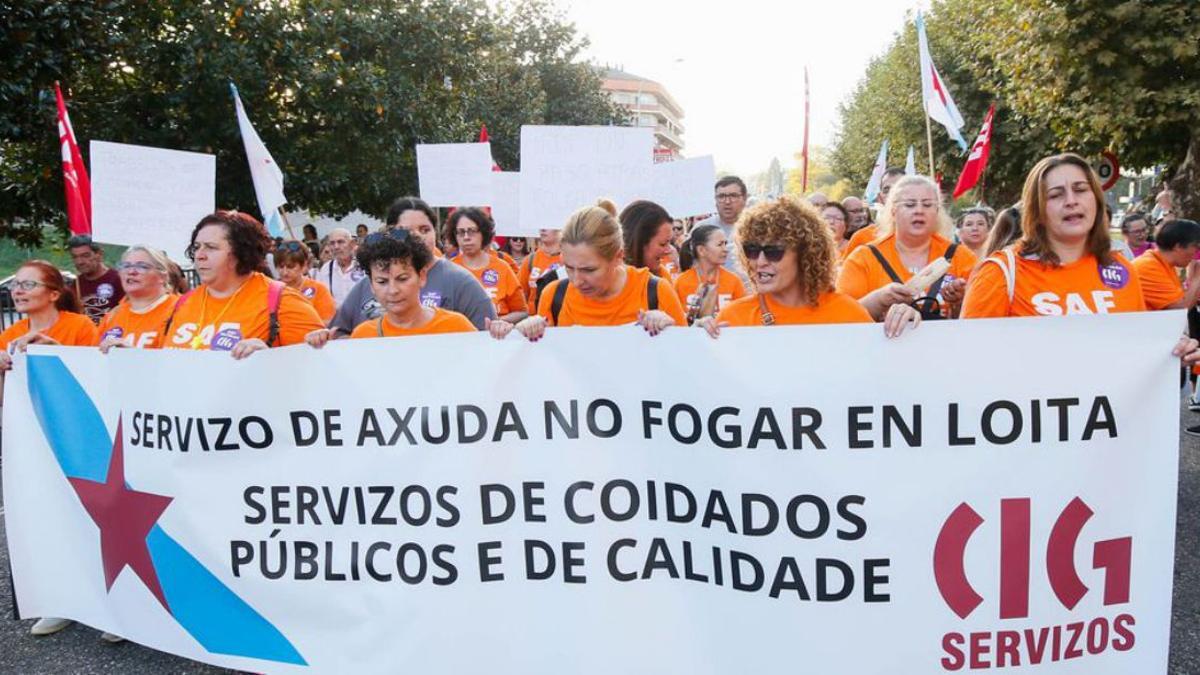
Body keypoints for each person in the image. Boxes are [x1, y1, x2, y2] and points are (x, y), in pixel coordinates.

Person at [696, 197, 920, 337]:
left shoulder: (848, 313)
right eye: (752, 250)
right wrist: (695, 343)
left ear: (805, 255)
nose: (760, 261)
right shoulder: (733, 318)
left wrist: (906, 330)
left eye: (774, 251)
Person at [961, 153, 1148, 318]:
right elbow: (970, 351)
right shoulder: (999, 274)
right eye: (1055, 195)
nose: (1071, 201)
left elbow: (1141, 345)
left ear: (1097, 200)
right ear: (1037, 209)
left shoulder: (1122, 269)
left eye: (1080, 190)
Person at [487, 200, 686, 341]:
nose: (577, 280)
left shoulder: (656, 291)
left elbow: (688, 364)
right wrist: (521, 335)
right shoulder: (555, 295)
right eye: (569, 268)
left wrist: (669, 331)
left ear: (618, 256)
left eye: (589, 270)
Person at [161, 211, 325, 357]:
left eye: (211, 247)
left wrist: (271, 359)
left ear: (240, 252)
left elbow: (315, 369)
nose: (199, 255)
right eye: (196, 247)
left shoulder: (284, 302)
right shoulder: (182, 303)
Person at [329, 197, 496, 335]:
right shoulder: (366, 287)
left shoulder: (461, 282)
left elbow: (485, 340)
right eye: (405, 230)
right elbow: (339, 334)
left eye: (424, 230)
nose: (392, 290)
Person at [838, 175, 976, 320]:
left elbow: (980, 318)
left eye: (927, 205)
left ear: (937, 211)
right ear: (893, 211)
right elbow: (841, 318)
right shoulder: (864, 257)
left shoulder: (961, 256)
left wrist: (960, 301)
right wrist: (879, 300)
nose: (919, 211)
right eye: (910, 205)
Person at [307, 229, 474, 344]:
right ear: (370, 284)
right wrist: (322, 347)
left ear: (422, 276)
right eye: (382, 282)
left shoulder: (457, 326)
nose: (393, 290)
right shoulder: (363, 336)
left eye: (402, 278)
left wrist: (497, 334)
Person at [447, 208, 528, 324]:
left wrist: (497, 323)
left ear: (483, 233)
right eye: (460, 232)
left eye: (472, 231)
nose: (466, 237)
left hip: (496, 338)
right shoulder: (448, 269)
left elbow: (522, 312)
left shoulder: (502, 267)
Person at [97, 247, 180, 352]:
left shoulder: (180, 310)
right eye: (126, 266)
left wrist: (136, 357)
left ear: (162, 276)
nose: (131, 271)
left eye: (142, 266)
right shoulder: (112, 315)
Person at [673, 224, 747, 324]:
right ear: (701, 250)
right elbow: (676, 320)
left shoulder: (734, 281)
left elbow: (743, 317)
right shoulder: (681, 282)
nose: (725, 249)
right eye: (720, 244)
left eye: (725, 243)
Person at [1132, 219, 1200, 311]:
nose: (1196, 252)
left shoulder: (1163, 263)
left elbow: (1183, 300)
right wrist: (1197, 277)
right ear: (1178, 246)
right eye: (1196, 247)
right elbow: (1180, 309)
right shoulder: (1148, 266)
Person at [841, 167, 906, 260]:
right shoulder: (861, 238)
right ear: (880, 197)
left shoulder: (930, 236)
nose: (893, 194)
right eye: (887, 190)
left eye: (899, 188)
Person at [695, 176, 751, 282]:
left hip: (748, 293)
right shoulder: (700, 229)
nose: (727, 201)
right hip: (712, 294)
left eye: (733, 196)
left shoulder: (756, 228)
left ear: (744, 198)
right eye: (721, 196)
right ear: (715, 200)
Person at [274, 240, 336, 323]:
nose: (285, 272)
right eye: (281, 267)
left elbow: (328, 321)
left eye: (290, 267)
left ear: (304, 265)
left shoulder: (319, 289)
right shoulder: (271, 290)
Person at [67, 234, 125, 323]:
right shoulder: (76, 284)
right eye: (75, 257)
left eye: (85, 256)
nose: (80, 262)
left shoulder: (118, 279)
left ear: (99, 254)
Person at [621, 199, 677, 284]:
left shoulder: (662, 278)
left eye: (670, 242)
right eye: (663, 244)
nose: (669, 250)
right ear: (639, 243)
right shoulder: (606, 282)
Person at [314, 227, 363, 309]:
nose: (336, 247)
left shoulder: (363, 264)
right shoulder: (326, 269)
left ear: (352, 243)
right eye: (332, 243)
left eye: (340, 242)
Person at [517, 228, 563, 307]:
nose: (543, 229)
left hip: (559, 315)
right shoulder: (531, 259)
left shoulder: (568, 259)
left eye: (549, 225)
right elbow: (520, 294)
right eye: (541, 225)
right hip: (534, 316)